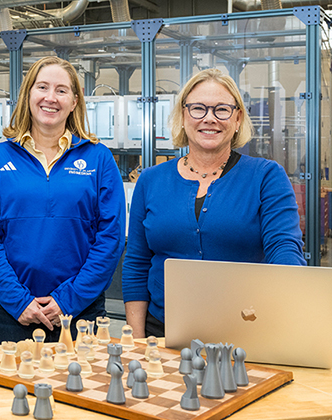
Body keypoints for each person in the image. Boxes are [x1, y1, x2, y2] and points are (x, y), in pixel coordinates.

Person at [122, 68, 306, 338]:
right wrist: (136, 343)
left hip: (244, 330)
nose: (209, 119)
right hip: (161, 332)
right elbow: (137, 262)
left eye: (222, 109)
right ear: (183, 116)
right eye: (198, 109)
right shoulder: (151, 180)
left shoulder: (266, 176)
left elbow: (284, 246)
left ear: (238, 118)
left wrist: (290, 288)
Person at [0, 56, 126, 343]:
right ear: (28, 94)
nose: (50, 98)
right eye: (42, 87)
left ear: (75, 101)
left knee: (76, 386)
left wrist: (68, 300)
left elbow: (110, 237)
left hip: (80, 309)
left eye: (61, 90)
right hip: (12, 309)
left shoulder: (98, 158)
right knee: (15, 385)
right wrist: (18, 301)